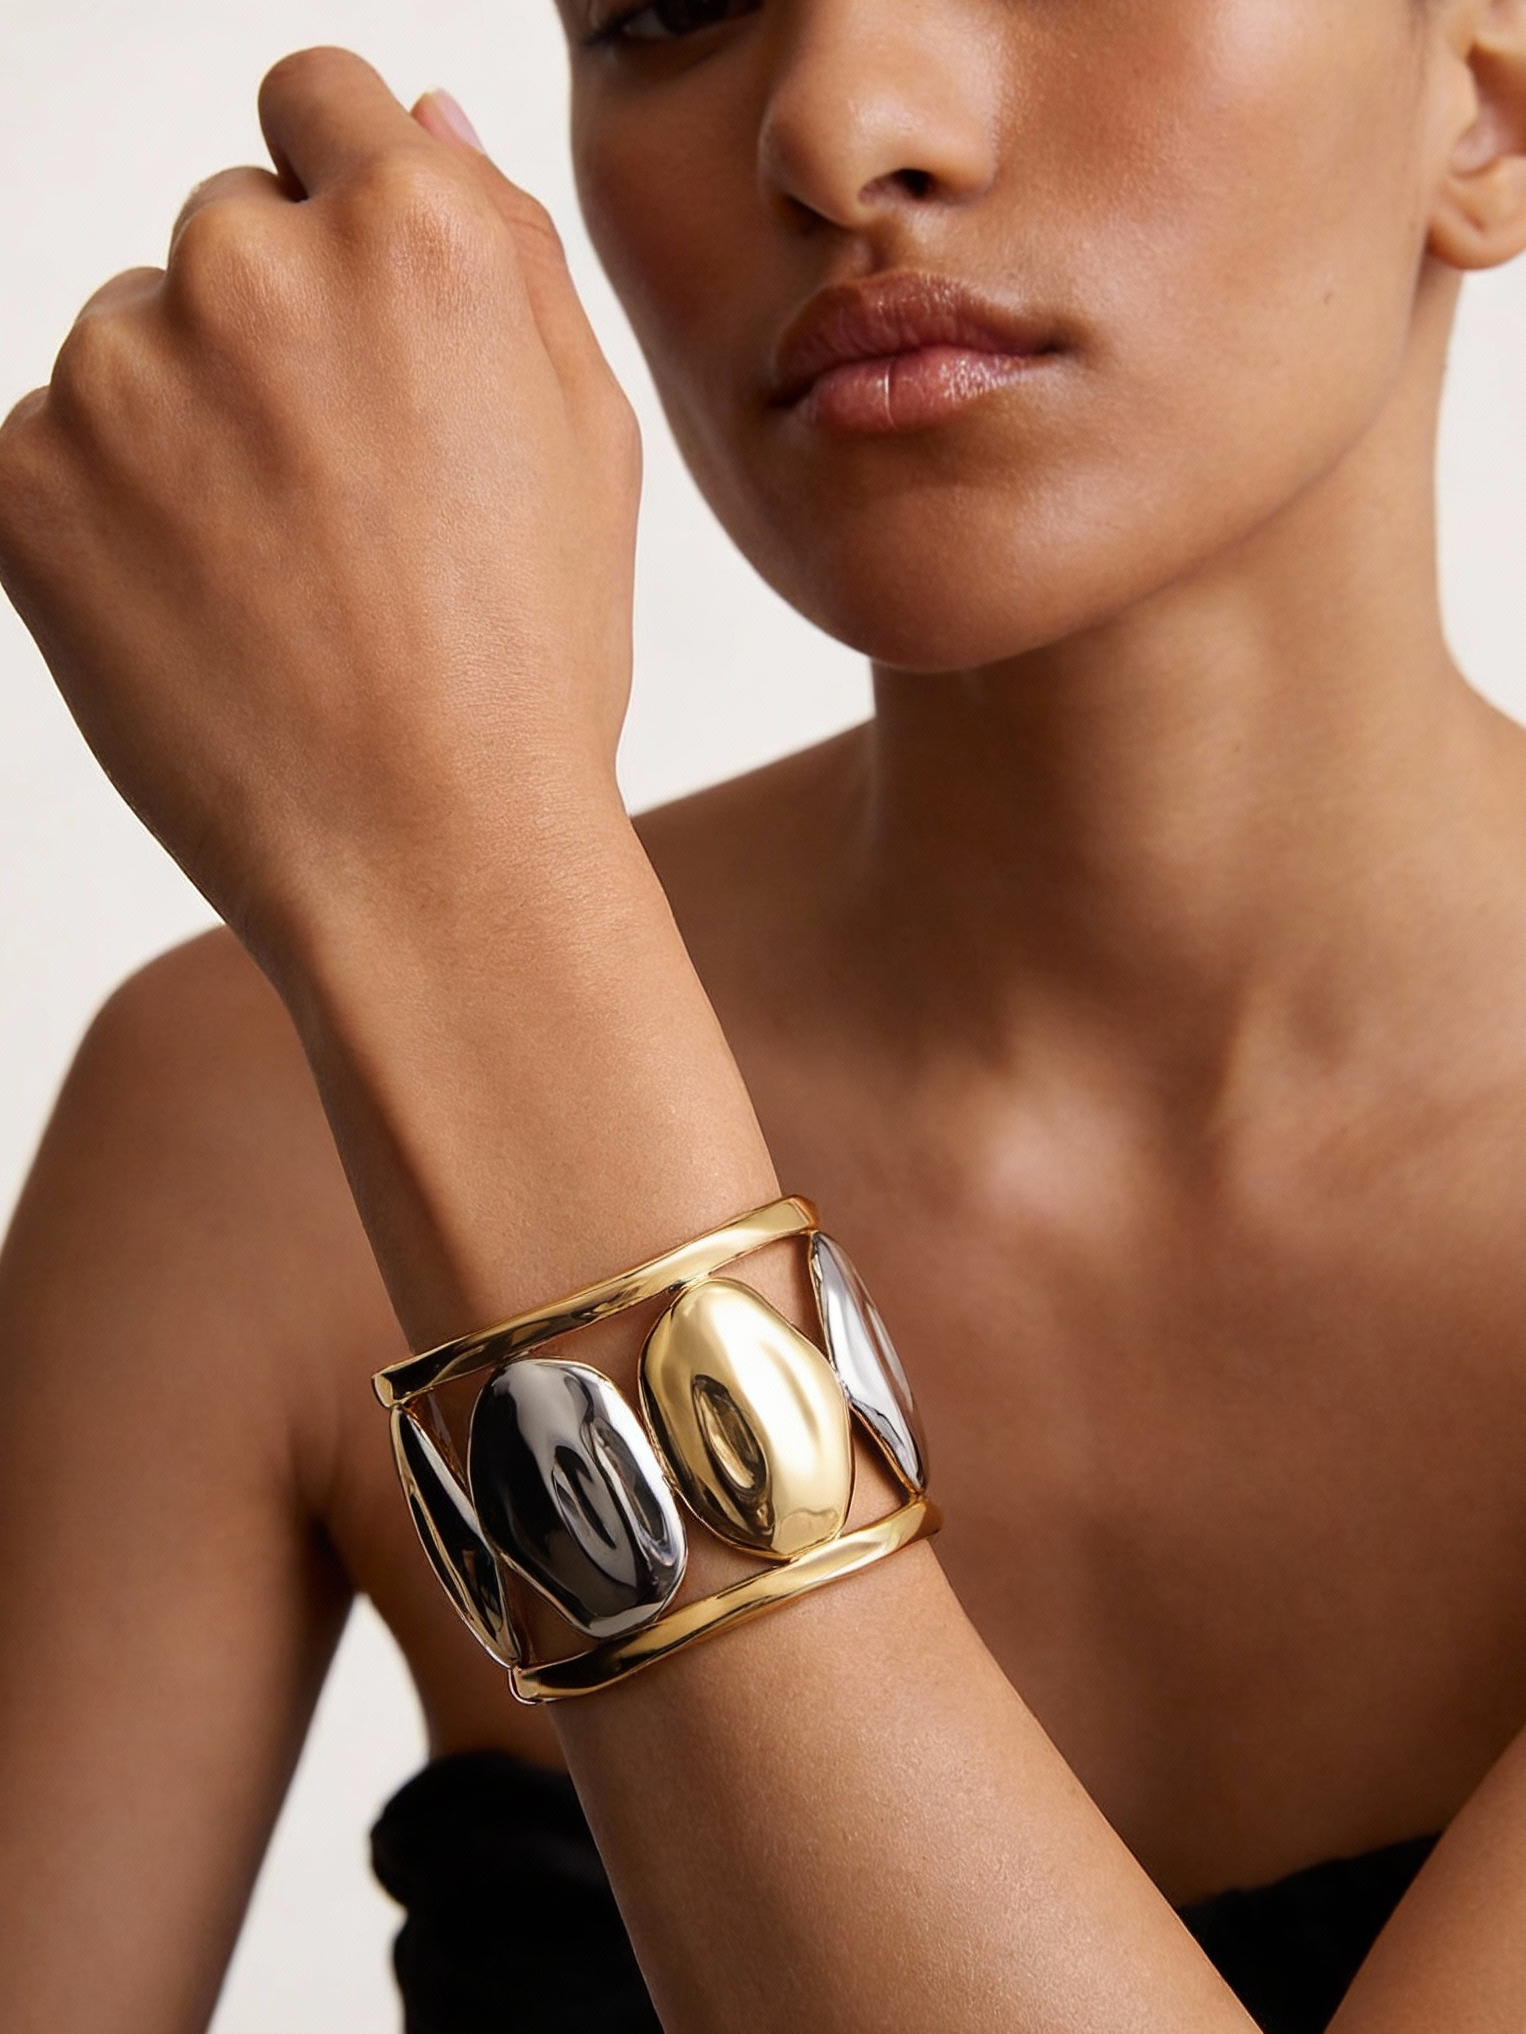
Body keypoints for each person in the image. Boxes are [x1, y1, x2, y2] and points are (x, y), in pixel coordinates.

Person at [2, 3, 1526, 2027]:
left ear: (1482, 103)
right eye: (666, 4)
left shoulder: (397, 992)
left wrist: (458, 905)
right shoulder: (238, 1138)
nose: (830, 121)